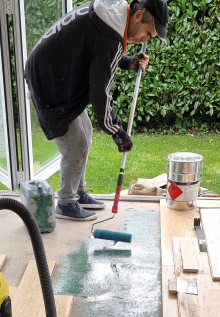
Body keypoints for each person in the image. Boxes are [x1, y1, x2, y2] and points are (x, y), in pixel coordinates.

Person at [25, 0, 169, 221]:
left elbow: (94, 52)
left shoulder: (110, 13)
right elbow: (100, 93)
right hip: (50, 83)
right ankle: (66, 202)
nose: (145, 40)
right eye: (148, 33)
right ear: (138, 16)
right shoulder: (110, 36)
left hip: (53, 72)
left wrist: (127, 62)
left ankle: (77, 191)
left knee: (86, 132)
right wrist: (117, 131)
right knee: (76, 145)